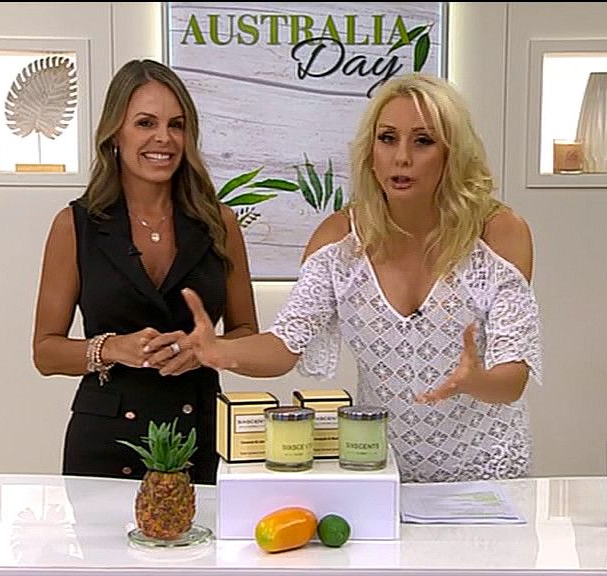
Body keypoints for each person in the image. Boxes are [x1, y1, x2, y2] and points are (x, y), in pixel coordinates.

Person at [151, 73, 542, 483]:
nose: (401, 157)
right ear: (370, 151)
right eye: (387, 138)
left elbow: (512, 380)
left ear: (452, 153)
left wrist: (475, 381)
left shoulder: (499, 233)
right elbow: (285, 345)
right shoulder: (338, 240)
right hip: (380, 466)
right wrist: (218, 351)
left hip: (487, 471)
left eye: (423, 141)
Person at [31, 59, 258, 485]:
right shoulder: (75, 226)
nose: (163, 138)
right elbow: (45, 352)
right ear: (115, 133)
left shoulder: (219, 224)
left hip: (198, 434)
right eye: (145, 123)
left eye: (176, 125)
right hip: (104, 442)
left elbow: (247, 333)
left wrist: (207, 350)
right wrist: (112, 348)